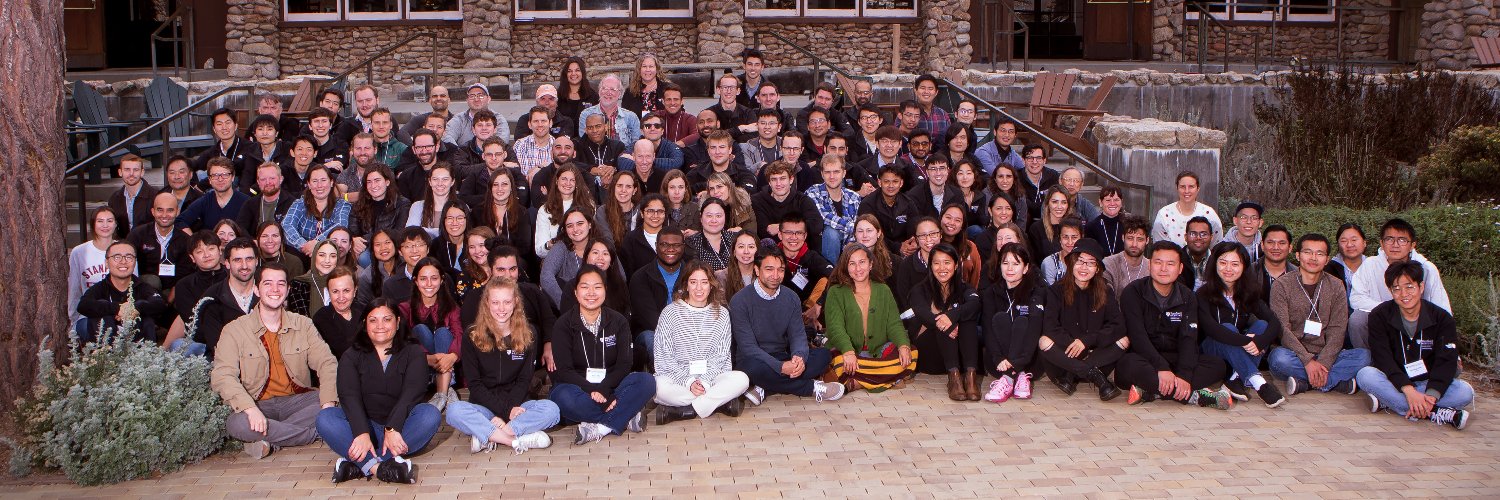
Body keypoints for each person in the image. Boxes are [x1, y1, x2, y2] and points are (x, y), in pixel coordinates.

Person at [210, 261, 339, 460]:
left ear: (288, 290)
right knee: (237, 423)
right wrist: (250, 409)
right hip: (258, 403)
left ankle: (269, 441)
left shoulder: (303, 324)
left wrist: (329, 405)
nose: (275, 290)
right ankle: (316, 433)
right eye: (268, 283)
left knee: (340, 401)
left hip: (298, 401)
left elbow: (327, 363)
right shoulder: (234, 330)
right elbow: (223, 375)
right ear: (256, 289)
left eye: (281, 284)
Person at [315, 296, 438, 485]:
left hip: (401, 429)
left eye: (387, 319)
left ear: (397, 322)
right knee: (326, 418)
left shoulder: (413, 352)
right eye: (373, 320)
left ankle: (360, 464)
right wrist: (361, 432)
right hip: (363, 428)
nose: (380, 326)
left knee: (430, 415)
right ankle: (380, 468)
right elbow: (349, 397)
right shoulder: (351, 355)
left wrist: (392, 427)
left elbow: (412, 393)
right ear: (365, 324)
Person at [446, 278, 560, 455]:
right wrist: (505, 411)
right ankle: (513, 440)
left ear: (515, 302)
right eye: (495, 302)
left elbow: (524, 380)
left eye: (507, 302)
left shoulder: (529, 333)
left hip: (518, 405)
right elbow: (475, 384)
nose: (501, 308)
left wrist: (509, 412)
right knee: (454, 411)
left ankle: (490, 435)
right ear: (486, 303)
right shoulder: (472, 335)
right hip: (485, 407)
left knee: (552, 410)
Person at [1355, 262, 1474, 430]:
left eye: (1409, 287)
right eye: (1396, 289)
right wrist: (1409, 391)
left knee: (1465, 392)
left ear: (1421, 287)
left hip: (1428, 381)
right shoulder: (1379, 315)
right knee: (1365, 375)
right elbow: (1383, 357)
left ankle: (1391, 402)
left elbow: (1446, 360)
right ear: (1390, 291)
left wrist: (1431, 395)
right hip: (1395, 381)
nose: (1404, 294)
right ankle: (1436, 412)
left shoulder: (1442, 318)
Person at [1117, 241, 1234, 409]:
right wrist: (1161, 368)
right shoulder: (1133, 292)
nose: (1163, 269)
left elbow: (1189, 338)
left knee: (1218, 366)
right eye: (1158, 262)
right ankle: (1197, 396)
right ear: (1150, 265)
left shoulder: (1187, 297)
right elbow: (1137, 337)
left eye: (1170, 264)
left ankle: (1153, 392)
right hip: (1144, 358)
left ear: (1180, 269)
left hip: (1175, 358)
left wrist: (1184, 375)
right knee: (1127, 366)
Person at [549, 265, 655, 444]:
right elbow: (565, 371)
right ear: (575, 292)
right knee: (561, 396)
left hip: (612, 386)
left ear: (605, 290)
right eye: (585, 287)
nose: (591, 293)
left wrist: (605, 390)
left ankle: (601, 427)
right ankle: (625, 416)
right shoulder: (563, 325)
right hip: (579, 389)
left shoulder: (618, 321)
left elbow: (624, 364)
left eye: (597, 287)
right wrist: (593, 391)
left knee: (646, 381)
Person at [652, 261, 752, 423]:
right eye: (693, 282)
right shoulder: (670, 313)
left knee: (742, 379)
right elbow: (664, 358)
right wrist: (689, 382)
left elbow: (721, 356)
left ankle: (685, 410)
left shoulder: (722, 314)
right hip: (678, 378)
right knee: (657, 387)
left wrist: (704, 382)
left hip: (711, 378)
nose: (699, 288)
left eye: (704, 282)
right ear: (686, 285)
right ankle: (716, 404)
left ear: (711, 285)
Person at [1270, 233, 1368, 396]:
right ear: (1298, 255)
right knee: (1278, 359)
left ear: (1327, 259)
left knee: (1364, 356)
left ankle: (1307, 384)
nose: (1313, 258)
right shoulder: (1282, 285)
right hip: (1293, 354)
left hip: (1328, 354)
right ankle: (1334, 382)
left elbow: (1337, 330)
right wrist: (1308, 361)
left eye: (1320, 253)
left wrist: (1323, 362)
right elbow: (1282, 329)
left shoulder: (1336, 285)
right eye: (1308, 252)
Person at [1197, 242, 1285, 407]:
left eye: (1235, 264)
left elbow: (1274, 322)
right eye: (1223, 263)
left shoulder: (1247, 293)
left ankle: (1234, 378)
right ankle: (1259, 383)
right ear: (1214, 264)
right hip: (1211, 350)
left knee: (1262, 325)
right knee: (1227, 328)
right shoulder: (1203, 293)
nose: (1228, 269)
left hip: (1237, 350)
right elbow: (1212, 329)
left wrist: (1260, 341)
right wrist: (1247, 341)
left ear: (1244, 267)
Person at [1039, 239, 1127, 399]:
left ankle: (1073, 375)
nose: (1084, 267)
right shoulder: (1056, 291)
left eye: (1091, 263)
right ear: (1071, 263)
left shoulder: (1105, 291)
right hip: (1064, 362)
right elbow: (1050, 326)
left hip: (1095, 358)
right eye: (1080, 261)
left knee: (1124, 340)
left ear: (1097, 268)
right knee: (1044, 341)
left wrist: (1086, 342)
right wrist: (1074, 345)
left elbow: (1118, 326)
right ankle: (1095, 377)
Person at [824, 242, 914, 393]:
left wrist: (903, 346)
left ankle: (859, 381)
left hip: (877, 351)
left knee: (912, 354)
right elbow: (835, 328)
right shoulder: (836, 292)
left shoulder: (883, 289)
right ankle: (890, 378)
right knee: (839, 363)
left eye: (862, 262)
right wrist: (848, 352)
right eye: (852, 264)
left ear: (870, 264)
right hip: (848, 351)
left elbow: (894, 324)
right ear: (846, 267)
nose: (858, 268)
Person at [1348, 218, 1451, 349]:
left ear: (1412, 245)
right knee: (1357, 319)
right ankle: (1366, 356)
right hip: (1380, 318)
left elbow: (1440, 305)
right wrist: (1389, 310)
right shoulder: (1370, 264)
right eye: (1389, 239)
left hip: (1415, 320)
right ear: (1382, 243)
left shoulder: (1426, 268)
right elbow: (1356, 299)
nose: (1395, 245)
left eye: (1402, 240)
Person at [907, 243, 983, 400]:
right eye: (936, 263)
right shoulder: (919, 290)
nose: (942, 268)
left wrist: (952, 315)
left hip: (959, 355)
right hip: (930, 354)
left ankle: (970, 377)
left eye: (947, 262)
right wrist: (947, 321)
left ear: (956, 265)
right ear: (931, 266)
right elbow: (923, 315)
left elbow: (975, 304)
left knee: (964, 318)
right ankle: (954, 379)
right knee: (942, 320)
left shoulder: (964, 288)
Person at [980, 243, 1043, 403]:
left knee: (1022, 322)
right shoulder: (990, 293)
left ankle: (1009, 378)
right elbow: (987, 330)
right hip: (999, 362)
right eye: (1005, 263)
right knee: (1000, 319)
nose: (1010, 268)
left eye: (1016, 264)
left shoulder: (1036, 292)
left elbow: (1034, 331)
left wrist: (1017, 362)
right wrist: (998, 358)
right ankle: (1014, 376)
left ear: (1025, 268)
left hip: (1029, 361)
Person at [400, 258, 463, 410]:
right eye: (423, 279)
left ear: (442, 280)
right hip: (422, 367)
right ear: (415, 281)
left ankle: (442, 392)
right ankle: (445, 389)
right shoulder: (405, 308)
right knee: (420, 330)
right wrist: (426, 358)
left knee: (443, 333)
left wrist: (453, 355)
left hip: (448, 365)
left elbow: (459, 334)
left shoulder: (452, 308)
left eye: (434, 278)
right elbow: (403, 340)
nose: (429, 284)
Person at [75, 241, 169, 344]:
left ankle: (147, 353)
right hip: (107, 344)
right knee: (100, 309)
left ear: (135, 262)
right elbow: (83, 305)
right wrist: (117, 308)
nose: (123, 261)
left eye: (129, 257)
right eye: (117, 257)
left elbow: (160, 304)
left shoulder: (143, 287)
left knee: (146, 317)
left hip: (137, 344)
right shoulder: (100, 287)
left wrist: (136, 307)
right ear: (107, 263)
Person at [192, 238, 261, 360]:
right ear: (227, 263)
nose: (244, 266)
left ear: (256, 261)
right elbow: (216, 345)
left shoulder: (268, 293)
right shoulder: (212, 297)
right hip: (226, 362)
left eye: (249, 259)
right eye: (237, 260)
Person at [629, 227, 687, 354]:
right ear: (656, 246)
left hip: (688, 331)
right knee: (653, 339)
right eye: (664, 244)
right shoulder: (641, 277)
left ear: (683, 247)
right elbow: (650, 320)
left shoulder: (692, 275)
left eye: (676, 245)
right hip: (651, 331)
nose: (670, 249)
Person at [348, 165, 410, 266]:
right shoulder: (359, 205)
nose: (373, 186)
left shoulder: (402, 204)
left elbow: (399, 233)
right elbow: (352, 230)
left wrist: (365, 240)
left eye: (377, 180)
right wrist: (354, 240)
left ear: (387, 182)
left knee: (364, 258)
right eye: (369, 182)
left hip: (391, 247)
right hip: (367, 248)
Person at [127, 191, 189, 293]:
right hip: (144, 289)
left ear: (177, 212)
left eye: (170, 210)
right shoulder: (137, 235)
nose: (164, 215)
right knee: (152, 281)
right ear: (153, 211)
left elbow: (185, 275)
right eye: (160, 210)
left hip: (173, 291)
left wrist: (171, 298)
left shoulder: (185, 240)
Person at [752, 160, 823, 248]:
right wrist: (798, 228)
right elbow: (763, 231)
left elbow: (816, 225)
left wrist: (781, 227)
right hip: (771, 251)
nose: (778, 184)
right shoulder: (757, 201)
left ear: (791, 179)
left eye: (782, 178)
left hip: (800, 250)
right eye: (774, 179)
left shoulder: (802, 200)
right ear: (769, 182)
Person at [807, 154, 861, 262]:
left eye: (836, 172)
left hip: (850, 247)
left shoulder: (854, 197)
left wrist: (851, 242)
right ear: (822, 174)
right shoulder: (813, 192)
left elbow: (857, 222)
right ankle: (830, 272)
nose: (832, 176)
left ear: (844, 173)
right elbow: (824, 217)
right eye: (827, 172)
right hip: (822, 248)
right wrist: (855, 229)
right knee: (831, 232)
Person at [69, 207, 118, 326]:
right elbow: (74, 289)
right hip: (88, 314)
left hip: (117, 313)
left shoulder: (125, 249)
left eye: (109, 221)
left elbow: (133, 285)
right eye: (100, 221)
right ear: (93, 224)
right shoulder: (79, 252)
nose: (105, 225)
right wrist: (73, 320)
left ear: (115, 224)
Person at [541, 207, 598, 309]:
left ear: (589, 224)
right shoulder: (561, 247)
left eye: (580, 224)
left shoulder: (601, 246)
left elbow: (620, 276)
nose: (575, 229)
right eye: (570, 226)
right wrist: (565, 305)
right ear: (565, 229)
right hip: (570, 305)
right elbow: (546, 276)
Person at [534, 164, 596, 257]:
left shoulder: (589, 205)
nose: (568, 183)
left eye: (572, 180)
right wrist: (550, 245)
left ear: (577, 183)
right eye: (564, 179)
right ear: (557, 181)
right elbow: (540, 250)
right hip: (556, 257)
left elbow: (594, 237)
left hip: (584, 256)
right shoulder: (545, 209)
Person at [858, 164, 917, 258]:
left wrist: (912, 244)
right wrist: (898, 247)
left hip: (905, 250)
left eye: (895, 181)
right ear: (879, 182)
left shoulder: (908, 203)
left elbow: (914, 229)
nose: (891, 186)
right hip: (877, 251)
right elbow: (870, 235)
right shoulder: (868, 204)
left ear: (901, 183)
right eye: (886, 181)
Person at [177, 158, 250, 233]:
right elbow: (180, 221)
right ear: (209, 179)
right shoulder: (205, 201)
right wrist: (193, 238)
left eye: (225, 175)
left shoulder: (247, 202)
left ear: (233, 177)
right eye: (215, 175)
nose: (220, 179)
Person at [1152, 171, 1223, 246]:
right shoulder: (1164, 214)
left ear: (1198, 189)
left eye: (1191, 187)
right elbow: (1159, 247)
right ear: (1177, 188)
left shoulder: (1209, 214)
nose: (1186, 191)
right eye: (1182, 187)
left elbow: (1217, 246)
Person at [312, 266, 362, 358]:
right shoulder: (321, 318)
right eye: (335, 291)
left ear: (355, 291)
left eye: (346, 291)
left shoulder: (365, 312)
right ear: (328, 293)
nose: (341, 297)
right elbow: (342, 349)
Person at [578, 74, 641, 145]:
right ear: (599, 91)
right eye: (604, 88)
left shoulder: (631, 117)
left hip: (624, 151)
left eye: (612, 89)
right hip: (595, 152)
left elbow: (636, 144)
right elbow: (584, 144)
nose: (608, 92)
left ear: (619, 94)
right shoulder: (586, 115)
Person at [687, 130, 756, 193]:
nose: (717, 152)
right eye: (713, 147)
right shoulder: (696, 173)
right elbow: (685, 192)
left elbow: (747, 191)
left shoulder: (743, 173)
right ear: (708, 151)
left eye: (722, 147)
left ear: (730, 149)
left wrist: (709, 191)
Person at [1101, 214, 1152, 299]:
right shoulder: (1109, 264)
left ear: (1147, 240)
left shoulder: (1152, 268)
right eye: (1130, 238)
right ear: (1123, 238)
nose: (1134, 244)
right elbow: (1105, 298)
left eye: (1140, 239)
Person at [236, 162, 296, 233]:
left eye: (272, 178)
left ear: (281, 179)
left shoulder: (293, 204)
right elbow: (240, 229)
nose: (268, 182)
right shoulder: (250, 204)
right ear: (258, 182)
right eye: (263, 179)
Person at [286, 239, 340, 317]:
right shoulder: (298, 285)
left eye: (333, 256)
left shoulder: (343, 283)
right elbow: (301, 318)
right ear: (314, 257)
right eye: (322, 255)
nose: (327, 260)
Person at [238, 116, 289, 195]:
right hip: (256, 196)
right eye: (260, 129)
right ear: (255, 134)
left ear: (276, 133)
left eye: (269, 129)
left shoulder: (286, 150)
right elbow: (246, 180)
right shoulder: (250, 151)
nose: (265, 133)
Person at [938, 203, 984, 288]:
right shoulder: (932, 244)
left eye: (957, 220)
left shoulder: (970, 247)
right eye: (948, 217)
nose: (952, 222)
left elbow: (975, 279)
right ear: (941, 218)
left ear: (962, 225)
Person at [685, 198, 737, 271]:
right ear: (701, 217)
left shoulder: (735, 238)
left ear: (725, 217)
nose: (714, 220)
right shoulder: (692, 242)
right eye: (709, 216)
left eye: (718, 216)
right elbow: (694, 271)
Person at [905, 155, 963, 221]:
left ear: (947, 171)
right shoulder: (915, 195)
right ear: (927, 172)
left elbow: (961, 221)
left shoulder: (957, 193)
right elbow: (915, 223)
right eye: (933, 169)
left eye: (942, 168)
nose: (938, 173)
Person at [1028, 186, 1074, 261]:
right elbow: (1033, 260)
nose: (1059, 206)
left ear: (1068, 205)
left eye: (1064, 202)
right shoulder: (1036, 228)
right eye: (1054, 202)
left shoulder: (1074, 226)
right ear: (1047, 203)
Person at [426, 201, 472, 276]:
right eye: (450, 218)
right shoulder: (435, 246)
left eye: (460, 218)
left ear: (467, 220)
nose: (454, 223)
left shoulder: (475, 244)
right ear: (444, 221)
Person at [596, 171, 640, 247]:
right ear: (614, 188)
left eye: (628, 186)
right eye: (619, 186)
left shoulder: (641, 211)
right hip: (611, 252)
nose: (623, 190)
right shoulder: (603, 211)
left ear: (634, 191)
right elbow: (607, 241)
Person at [1016, 145, 1057, 225]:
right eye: (1030, 158)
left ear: (1044, 160)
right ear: (1023, 160)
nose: (1034, 162)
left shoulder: (1053, 176)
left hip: (1048, 222)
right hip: (1024, 223)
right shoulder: (1016, 178)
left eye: (1038, 158)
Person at [708, 73, 755, 142]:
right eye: (725, 87)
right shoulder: (709, 113)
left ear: (738, 91)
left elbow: (753, 138)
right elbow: (710, 137)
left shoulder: (748, 113)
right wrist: (741, 128)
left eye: (732, 87)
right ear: (718, 90)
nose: (728, 91)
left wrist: (726, 135)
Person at [1039, 216, 1084, 286]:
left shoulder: (1088, 261)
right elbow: (1049, 291)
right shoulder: (1049, 263)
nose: (1070, 242)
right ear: (1059, 238)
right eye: (1065, 237)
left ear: (1082, 237)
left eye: (1074, 237)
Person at [1327, 223, 1370, 295]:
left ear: (1364, 243)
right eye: (1344, 241)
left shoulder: (1373, 265)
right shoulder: (1329, 270)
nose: (1349, 245)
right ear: (1338, 245)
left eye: (1354, 240)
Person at [852, 214, 895, 283]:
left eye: (869, 231)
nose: (865, 235)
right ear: (855, 234)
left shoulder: (894, 261)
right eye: (860, 231)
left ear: (878, 233)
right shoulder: (846, 259)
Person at [985, 160, 1030, 227]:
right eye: (1000, 176)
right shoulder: (986, 195)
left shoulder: (1020, 195)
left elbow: (1021, 222)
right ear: (995, 179)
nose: (1005, 181)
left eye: (1008, 176)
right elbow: (985, 220)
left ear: (1014, 179)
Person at [739, 109, 784, 174]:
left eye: (771, 123)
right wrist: (758, 166)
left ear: (779, 127)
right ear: (757, 126)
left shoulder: (787, 145)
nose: (767, 127)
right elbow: (746, 172)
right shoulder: (745, 148)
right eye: (763, 123)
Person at [557, 57, 598, 128]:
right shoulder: (558, 96)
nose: (573, 74)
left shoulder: (593, 96)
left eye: (577, 70)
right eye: (569, 71)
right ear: (565, 74)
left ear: (582, 73)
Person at [719, 231, 761, 298]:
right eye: (741, 247)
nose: (746, 251)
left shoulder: (764, 275)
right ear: (734, 251)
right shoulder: (723, 277)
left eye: (751, 247)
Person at [1258, 224, 1297, 294]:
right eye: (1270, 242)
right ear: (1262, 246)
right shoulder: (1248, 274)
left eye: (1282, 243)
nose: (1276, 247)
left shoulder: (1299, 277)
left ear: (1290, 248)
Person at [1181, 216, 1215, 290]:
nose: (1198, 238)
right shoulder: (1177, 260)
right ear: (1185, 237)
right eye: (1193, 234)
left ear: (1211, 237)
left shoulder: (1218, 261)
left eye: (1204, 234)